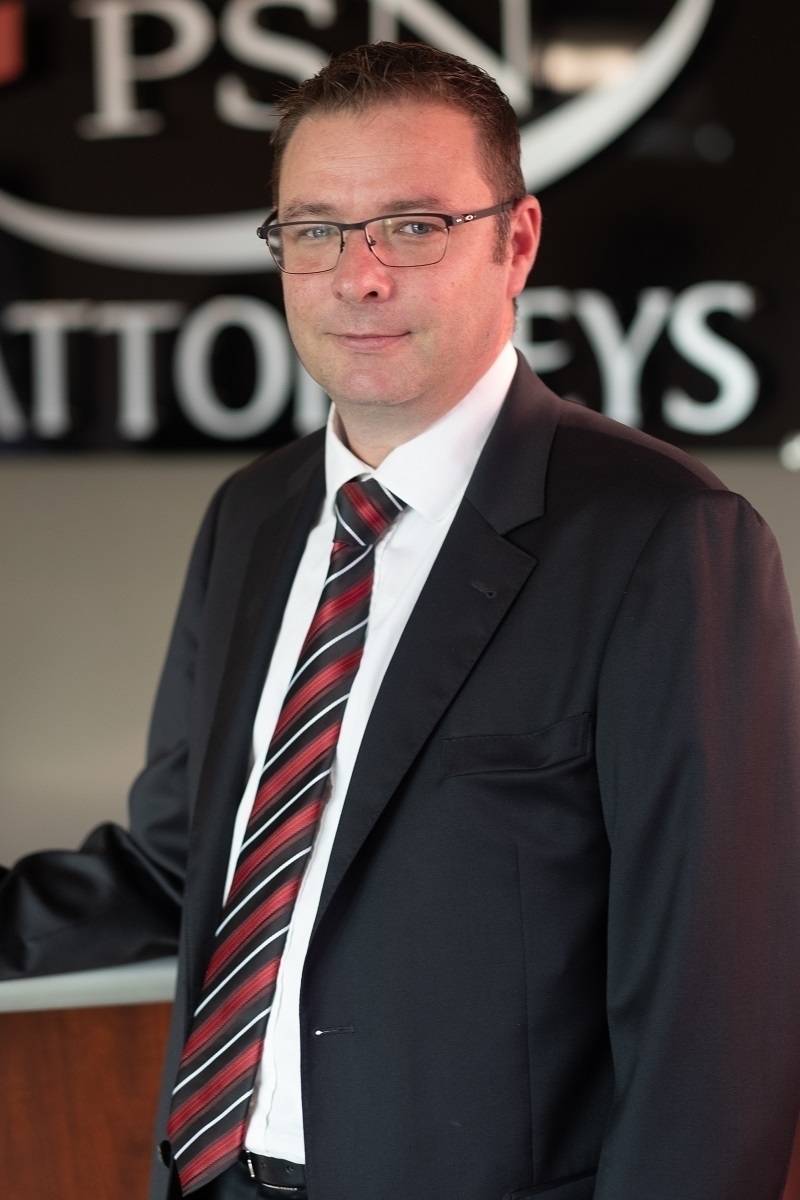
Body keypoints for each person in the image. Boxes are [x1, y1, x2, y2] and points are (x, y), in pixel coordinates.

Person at [1, 40, 799, 1200]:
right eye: (315, 229)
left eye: (412, 227)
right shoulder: (253, 518)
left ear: (515, 242)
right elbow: (182, 865)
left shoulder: (665, 538)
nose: (357, 277)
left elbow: (713, 1017)